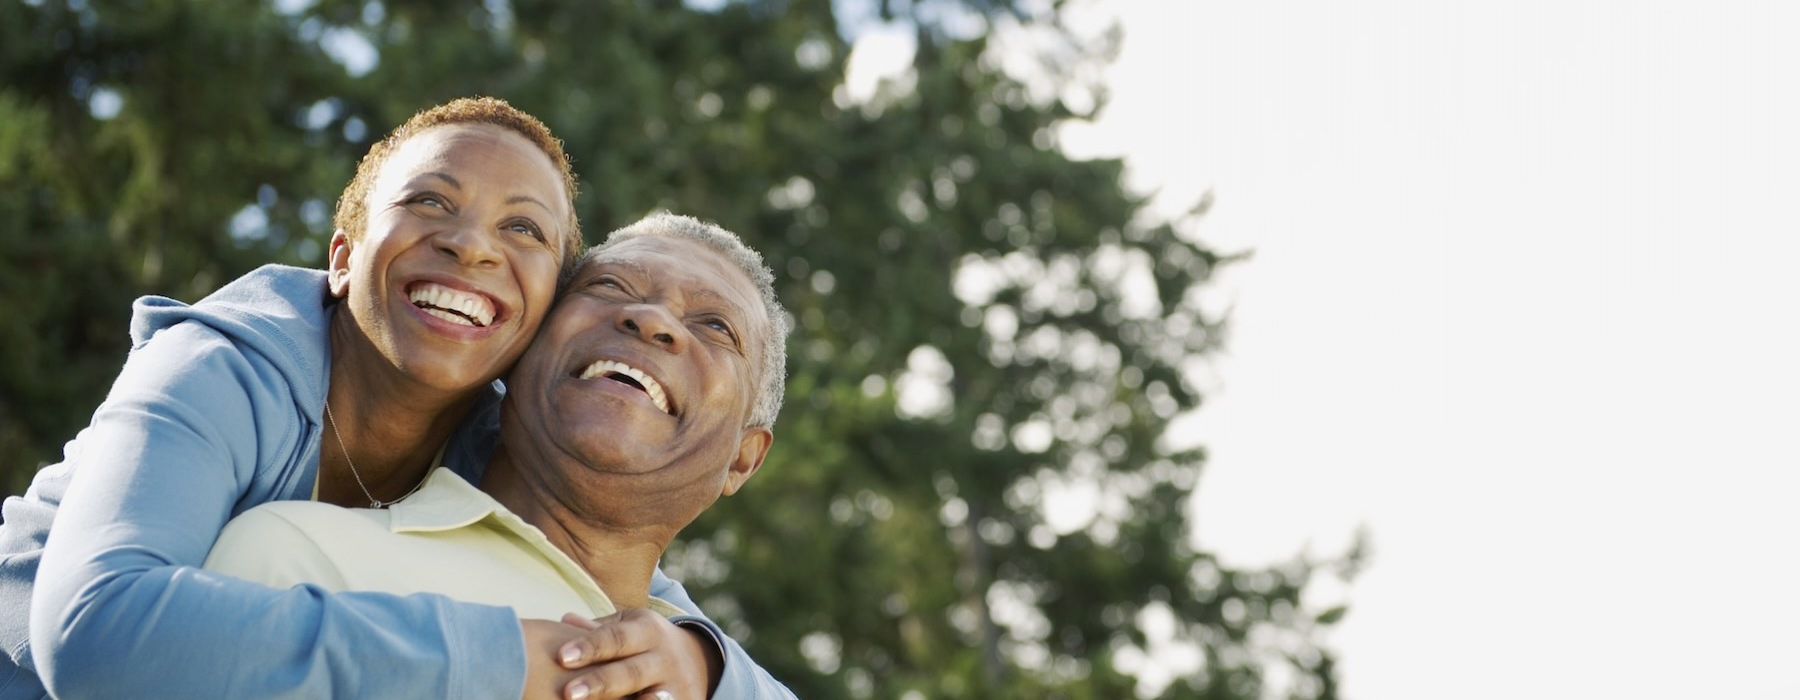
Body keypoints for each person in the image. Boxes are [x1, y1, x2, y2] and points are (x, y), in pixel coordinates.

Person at [0, 98, 792, 699]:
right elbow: (93, 627)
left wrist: (703, 662)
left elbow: (637, 587)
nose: (473, 244)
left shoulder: (497, 439)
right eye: (429, 202)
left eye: (524, 230)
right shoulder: (223, 368)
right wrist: (512, 660)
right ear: (340, 259)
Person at [206, 212, 790, 700]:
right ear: (518, 352)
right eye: (610, 287)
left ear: (743, 459)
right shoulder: (298, 559)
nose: (653, 319)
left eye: (715, 325)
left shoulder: (711, 677)